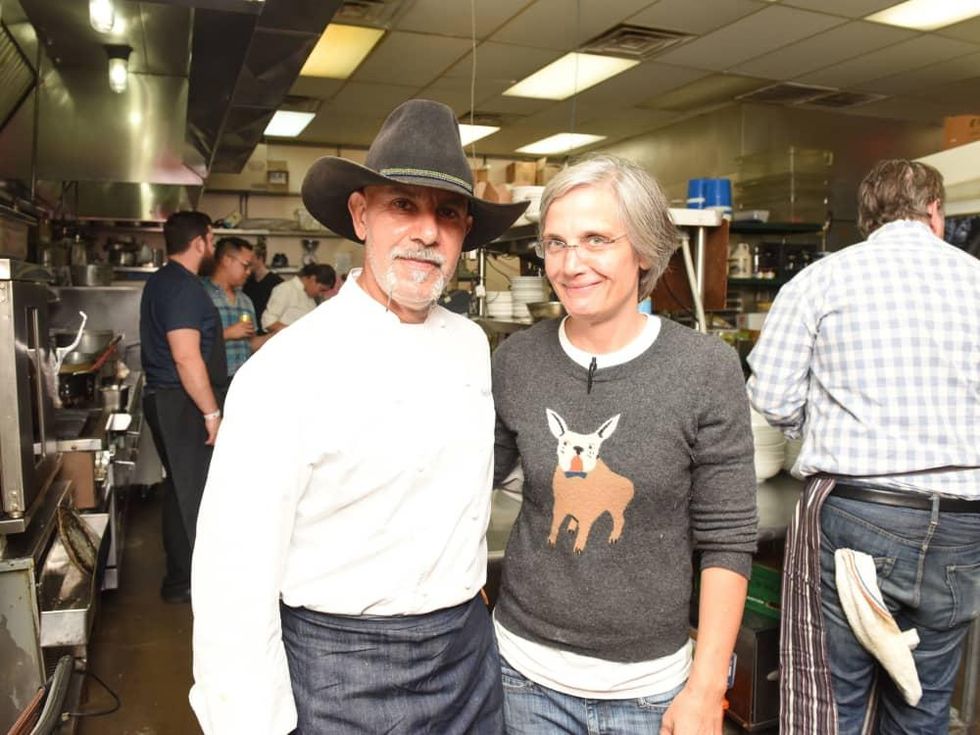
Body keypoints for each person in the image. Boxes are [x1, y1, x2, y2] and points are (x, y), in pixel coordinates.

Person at [190, 99, 528, 734]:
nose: (427, 232)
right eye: (404, 204)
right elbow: (232, 571)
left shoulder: (471, 344)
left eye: (448, 214)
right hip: (341, 667)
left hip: (466, 653)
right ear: (361, 213)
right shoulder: (286, 369)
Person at [491, 154, 758, 734]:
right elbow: (463, 484)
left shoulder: (705, 367)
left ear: (643, 251)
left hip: (651, 693)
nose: (571, 263)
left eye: (595, 239)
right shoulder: (515, 359)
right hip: (522, 676)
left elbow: (728, 538)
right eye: (556, 243)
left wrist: (707, 688)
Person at [747, 159, 980, 735]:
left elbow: (771, 399)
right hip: (964, 518)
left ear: (865, 219)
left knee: (834, 700)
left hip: (858, 514)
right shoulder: (976, 279)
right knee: (923, 698)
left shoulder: (821, 280)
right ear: (935, 214)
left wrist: (824, 425)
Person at [139, 210, 227, 605]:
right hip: (182, 403)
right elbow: (186, 357)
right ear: (200, 242)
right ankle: (192, 584)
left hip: (172, 400)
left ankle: (180, 580)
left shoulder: (165, 281)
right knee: (193, 495)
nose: (213, 247)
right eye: (211, 239)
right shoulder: (182, 288)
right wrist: (211, 412)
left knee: (179, 492)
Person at [202, 237, 271, 378]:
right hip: (212, 382)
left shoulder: (246, 301)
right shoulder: (201, 294)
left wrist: (276, 336)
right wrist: (227, 334)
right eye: (245, 266)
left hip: (241, 382)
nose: (248, 272)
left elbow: (250, 344)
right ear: (227, 260)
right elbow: (189, 343)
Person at [260, 262, 338, 333]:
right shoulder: (286, 289)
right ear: (312, 279)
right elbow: (268, 322)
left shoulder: (311, 299)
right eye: (321, 289)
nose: (321, 294)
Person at [242, 240, 283, 332]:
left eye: (251, 258)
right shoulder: (246, 282)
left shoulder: (277, 283)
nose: (248, 261)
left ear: (260, 258)